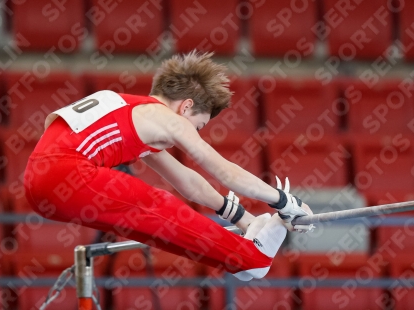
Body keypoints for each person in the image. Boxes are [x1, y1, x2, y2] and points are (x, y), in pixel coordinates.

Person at [23, 51, 313, 281]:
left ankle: (243, 260)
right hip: (67, 173)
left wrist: (241, 217)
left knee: (150, 226)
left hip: (39, 182)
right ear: (185, 107)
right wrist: (283, 201)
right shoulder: (165, 118)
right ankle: (253, 259)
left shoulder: (133, 113)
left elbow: (187, 180)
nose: (194, 133)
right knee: (156, 204)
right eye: (198, 126)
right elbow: (224, 170)